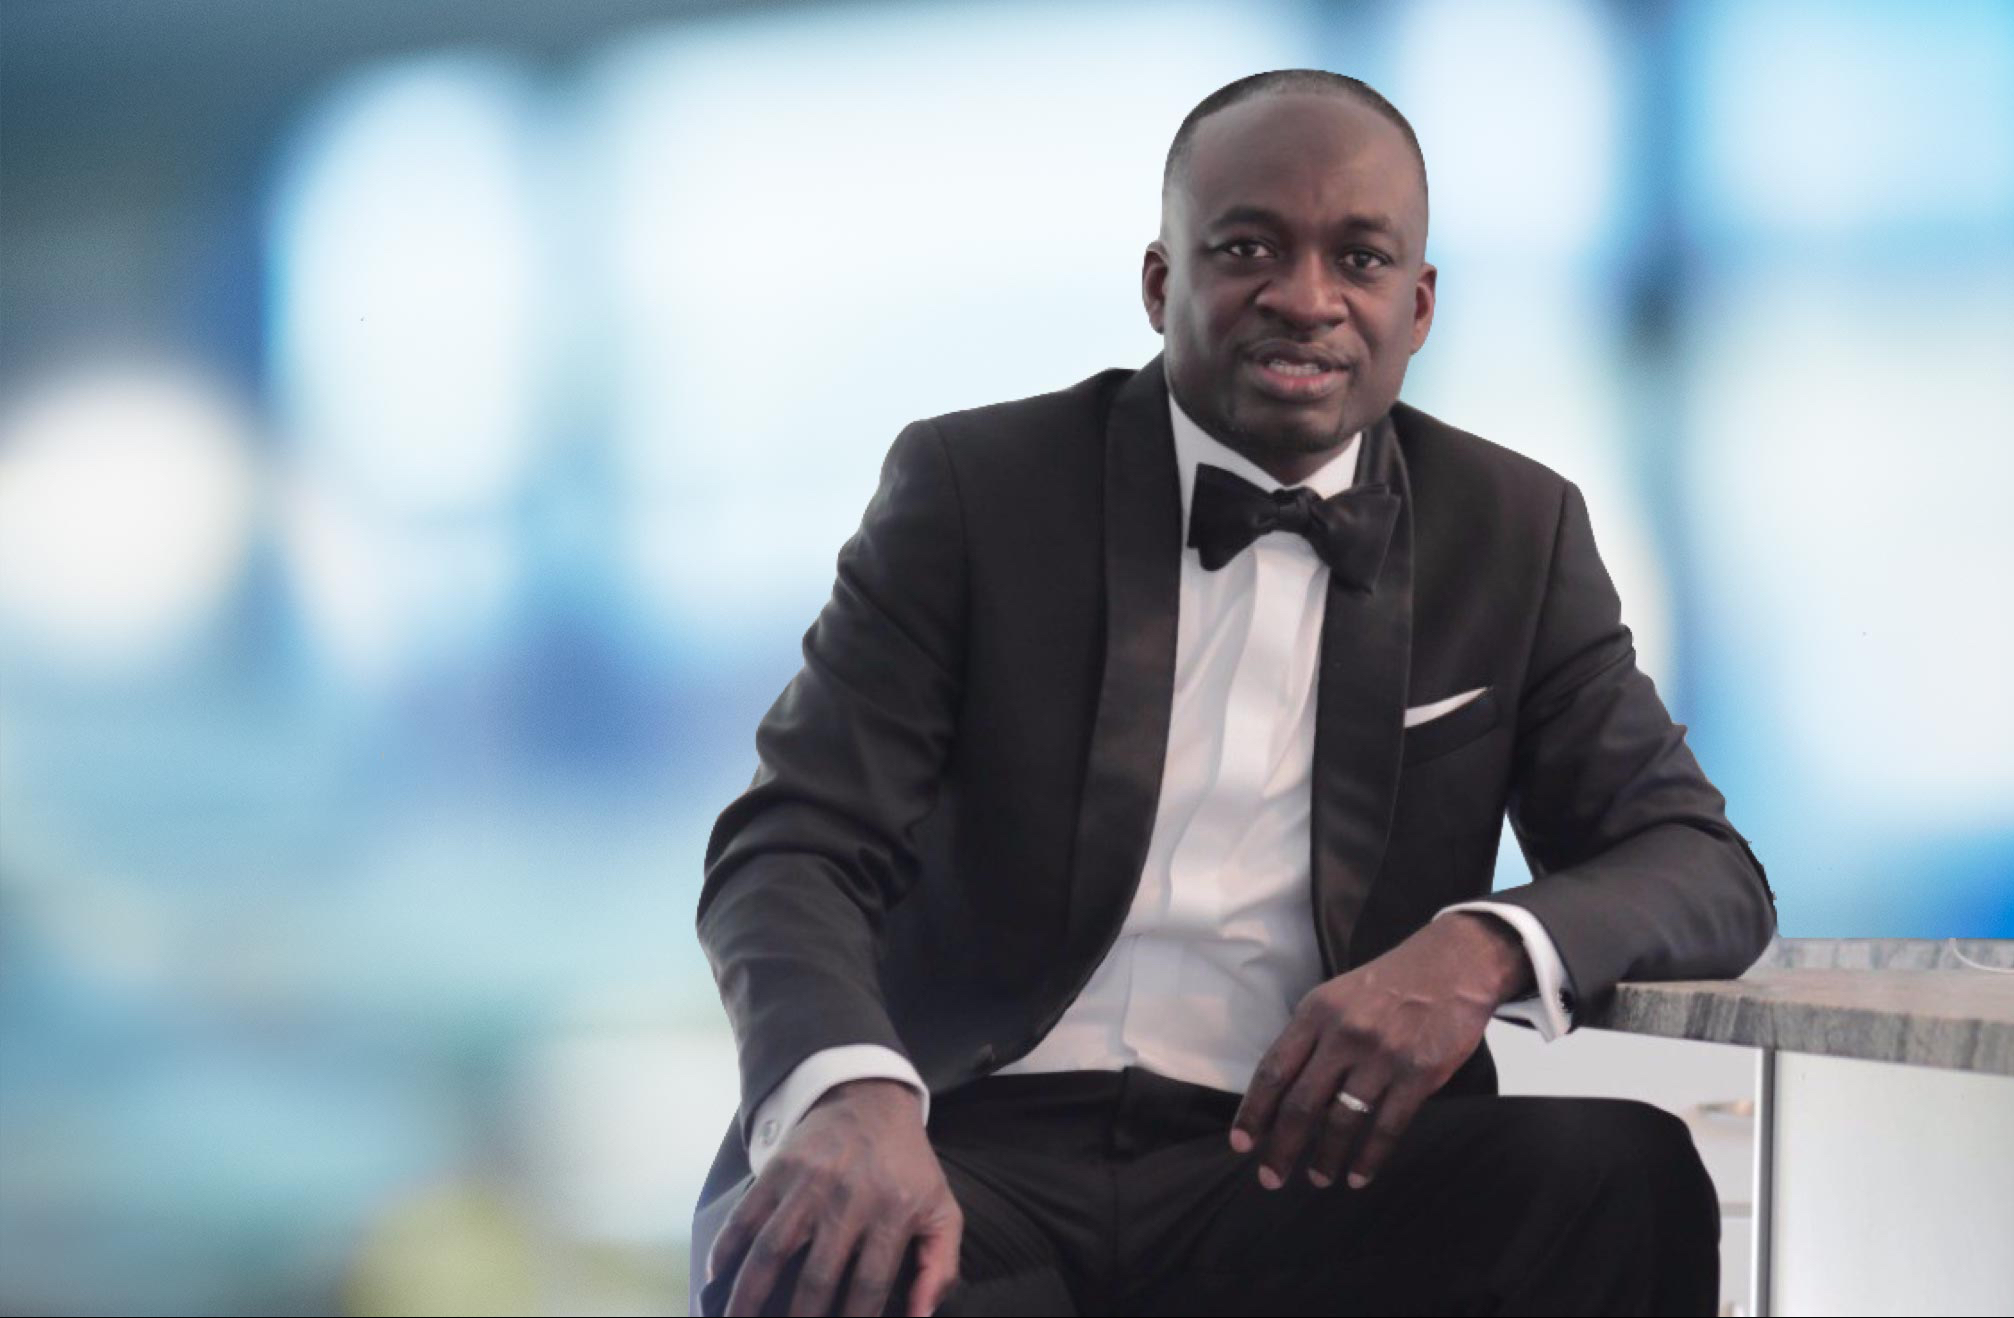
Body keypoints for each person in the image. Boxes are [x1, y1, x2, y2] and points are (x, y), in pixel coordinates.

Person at [690, 69, 1775, 1317]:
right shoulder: (976, 489)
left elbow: (1700, 865)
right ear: (1162, 284)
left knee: (1619, 1176)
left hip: (1313, 1161)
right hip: (965, 1138)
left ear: (1417, 306)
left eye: (1360, 259)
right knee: (831, 1255)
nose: (1306, 298)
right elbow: (793, 845)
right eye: (1249, 247)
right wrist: (848, 1094)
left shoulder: (1511, 530)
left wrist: (1474, 948)